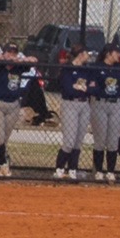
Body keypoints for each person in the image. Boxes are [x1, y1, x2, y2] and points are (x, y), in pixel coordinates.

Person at [0, 42, 36, 178]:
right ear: (3, 53)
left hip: (13, 106)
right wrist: (5, 58)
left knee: (3, 139)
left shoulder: (18, 67)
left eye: (14, 52)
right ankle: (2, 164)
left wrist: (20, 59)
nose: (12, 54)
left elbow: (34, 60)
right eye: (9, 52)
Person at [87, 43, 120, 182]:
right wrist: (98, 89)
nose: (119, 55)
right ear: (108, 53)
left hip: (115, 104)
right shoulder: (96, 67)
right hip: (99, 103)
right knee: (100, 140)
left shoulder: (119, 68)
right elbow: (92, 87)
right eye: (117, 52)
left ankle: (110, 171)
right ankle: (99, 171)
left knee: (113, 140)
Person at [52, 45, 92, 181]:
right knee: (69, 140)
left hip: (84, 105)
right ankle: (59, 168)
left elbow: (92, 89)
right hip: (70, 104)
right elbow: (68, 89)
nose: (89, 55)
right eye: (87, 52)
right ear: (80, 54)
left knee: (78, 141)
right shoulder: (67, 69)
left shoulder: (87, 69)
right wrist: (81, 88)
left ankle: (73, 169)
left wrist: (81, 88)